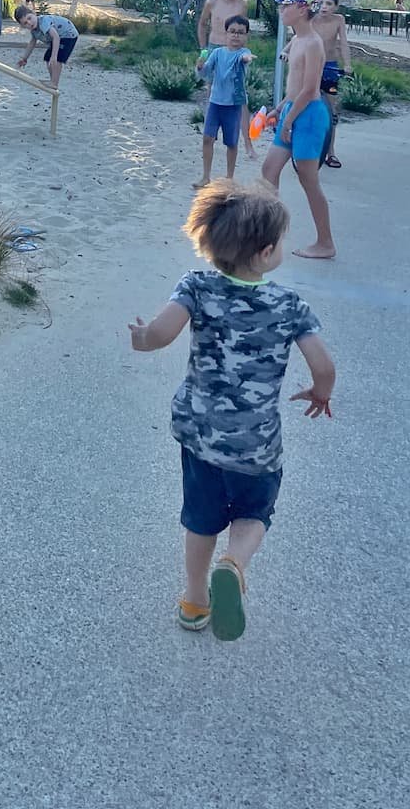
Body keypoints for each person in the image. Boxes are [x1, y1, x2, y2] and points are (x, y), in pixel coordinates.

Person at [128, 178, 336, 641]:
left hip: (202, 438)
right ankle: (235, 564)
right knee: (253, 515)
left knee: (200, 519)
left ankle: (194, 599)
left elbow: (160, 334)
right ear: (265, 254)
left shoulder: (197, 287)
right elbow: (323, 365)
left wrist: (141, 339)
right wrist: (321, 394)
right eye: (281, 241)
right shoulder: (290, 305)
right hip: (256, 444)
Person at [261, 0, 337, 260]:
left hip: (309, 116)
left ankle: (325, 242)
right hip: (294, 111)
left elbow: (309, 90)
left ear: (302, 9)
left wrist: (288, 121)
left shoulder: (314, 43)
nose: (282, 10)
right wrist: (279, 109)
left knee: (308, 179)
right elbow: (294, 89)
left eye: (286, 6)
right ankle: (269, 234)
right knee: (269, 169)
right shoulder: (298, 41)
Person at [198, 0, 254, 158]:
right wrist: (204, 50)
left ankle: (247, 141)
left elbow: (243, 29)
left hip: (234, 51)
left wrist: (244, 53)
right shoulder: (212, 3)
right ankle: (210, 134)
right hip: (215, 48)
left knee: (240, 95)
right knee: (211, 91)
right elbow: (202, 24)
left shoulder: (242, 5)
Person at [194, 15, 254, 187]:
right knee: (207, 138)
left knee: (231, 142)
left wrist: (247, 59)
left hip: (234, 105)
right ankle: (206, 176)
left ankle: (229, 178)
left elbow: (246, 58)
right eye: (232, 32)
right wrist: (199, 67)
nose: (236, 36)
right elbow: (205, 73)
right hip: (215, 103)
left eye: (240, 33)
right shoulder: (217, 53)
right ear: (226, 34)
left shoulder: (244, 53)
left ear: (246, 36)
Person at [316, 0, 353, 169]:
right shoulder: (311, 19)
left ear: (336, 7)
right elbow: (300, 37)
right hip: (312, 65)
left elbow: (343, 43)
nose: (324, 7)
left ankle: (331, 153)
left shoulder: (338, 20)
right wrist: (287, 51)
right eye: (321, 3)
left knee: (331, 112)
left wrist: (347, 65)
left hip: (330, 65)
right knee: (304, 104)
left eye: (329, 4)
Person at [15, 6, 77, 89]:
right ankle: (53, 81)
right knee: (48, 59)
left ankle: (54, 83)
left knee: (57, 60)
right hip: (59, 37)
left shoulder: (43, 22)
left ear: (34, 13)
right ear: (23, 26)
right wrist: (24, 58)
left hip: (68, 34)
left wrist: (54, 56)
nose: (29, 23)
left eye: (29, 18)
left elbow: (56, 37)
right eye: (25, 23)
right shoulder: (34, 31)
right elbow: (32, 43)